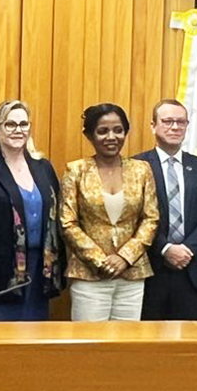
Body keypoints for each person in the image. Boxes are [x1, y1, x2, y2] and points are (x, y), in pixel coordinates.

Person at [0, 100, 64, 321]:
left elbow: (57, 220)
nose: (18, 130)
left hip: (40, 273)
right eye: (10, 124)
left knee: (35, 344)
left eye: (24, 124)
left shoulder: (44, 168)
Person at [60, 102, 160, 321]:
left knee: (126, 348)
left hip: (132, 275)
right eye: (102, 131)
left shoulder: (142, 169)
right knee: (89, 348)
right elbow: (68, 223)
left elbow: (150, 218)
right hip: (89, 276)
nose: (111, 137)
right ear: (89, 136)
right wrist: (100, 261)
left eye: (118, 130)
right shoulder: (75, 170)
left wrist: (125, 257)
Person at [133, 100, 197, 320]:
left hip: (191, 269)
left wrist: (187, 249)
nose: (175, 127)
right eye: (168, 121)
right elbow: (133, 217)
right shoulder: (136, 166)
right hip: (152, 268)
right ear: (153, 125)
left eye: (180, 122)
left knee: (189, 345)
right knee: (149, 342)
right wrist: (165, 248)